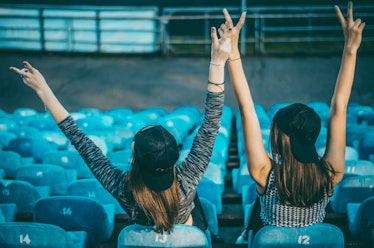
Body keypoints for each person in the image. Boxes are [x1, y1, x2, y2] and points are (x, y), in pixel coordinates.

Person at [9, 22, 231, 235]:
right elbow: (211, 122)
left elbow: (81, 141)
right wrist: (218, 62)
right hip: (189, 235)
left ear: (133, 152)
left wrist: (44, 90)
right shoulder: (188, 179)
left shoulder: (124, 189)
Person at [220, 2, 365, 242]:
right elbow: (339, 110)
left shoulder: (264, 173)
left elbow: (247, 109)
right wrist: (351, 50)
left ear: (279, 136)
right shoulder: (330, 175)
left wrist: (233, 52)